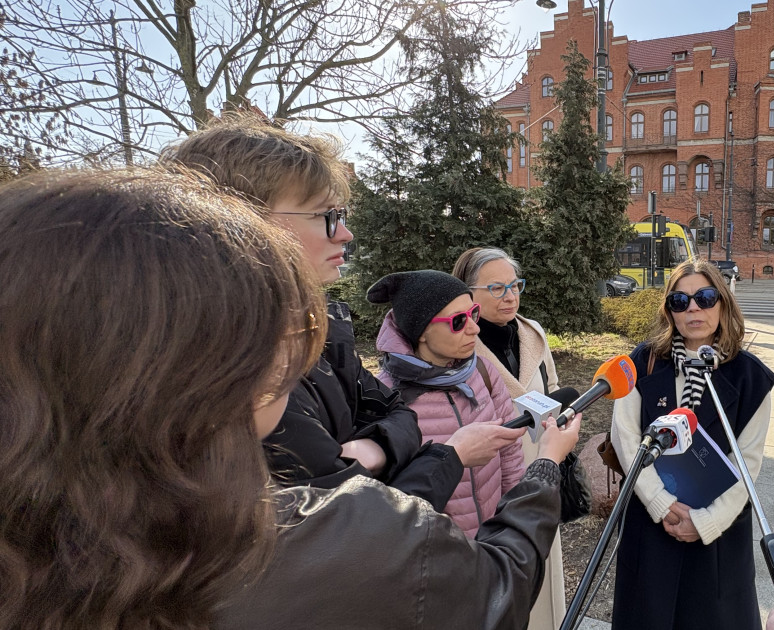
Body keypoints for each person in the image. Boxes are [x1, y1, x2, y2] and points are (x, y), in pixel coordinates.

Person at [0, 168, 582, 629]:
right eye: (285, 323)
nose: (300, 350)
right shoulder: (312, 534)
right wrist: (539, 468)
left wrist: (384, 447)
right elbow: (490, 588)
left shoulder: (45, 550)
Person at [160, 116, 463, 510]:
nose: (345, 234)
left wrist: (372, 449)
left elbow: (397, 412)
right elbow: (351, 519)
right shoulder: (228, 370)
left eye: (342, 215)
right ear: (240, 223)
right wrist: (441, 456)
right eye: (327, 216)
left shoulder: (321, 328)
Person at [610, 258, 774, 630]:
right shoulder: (643, 362)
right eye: (680, 301)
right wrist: (660, 502)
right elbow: (625, 438)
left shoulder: (751, 377)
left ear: (723, 302)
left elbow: (747, 462)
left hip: (717, 536)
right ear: (669, 311)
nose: (693, 309)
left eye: (705, 297)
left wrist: (706, 521)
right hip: (651, 525)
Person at [452, 246, 567, 629]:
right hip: (490, 486)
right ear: (468, 293)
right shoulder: (458, 345)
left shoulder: (533, 332)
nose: (510, 296)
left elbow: (553, 389)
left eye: (515, 285)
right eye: (497, 288)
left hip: (543, 474)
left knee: (543, 575)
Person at [369, 270, 527, 538]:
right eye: (458, 321)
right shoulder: (385, 398)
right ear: (421, 331)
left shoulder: (483, 372)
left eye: (473, 313)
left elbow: (510, 452)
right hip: (438, 553)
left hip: (495, 540)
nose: (475, 328)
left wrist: (512, 519)